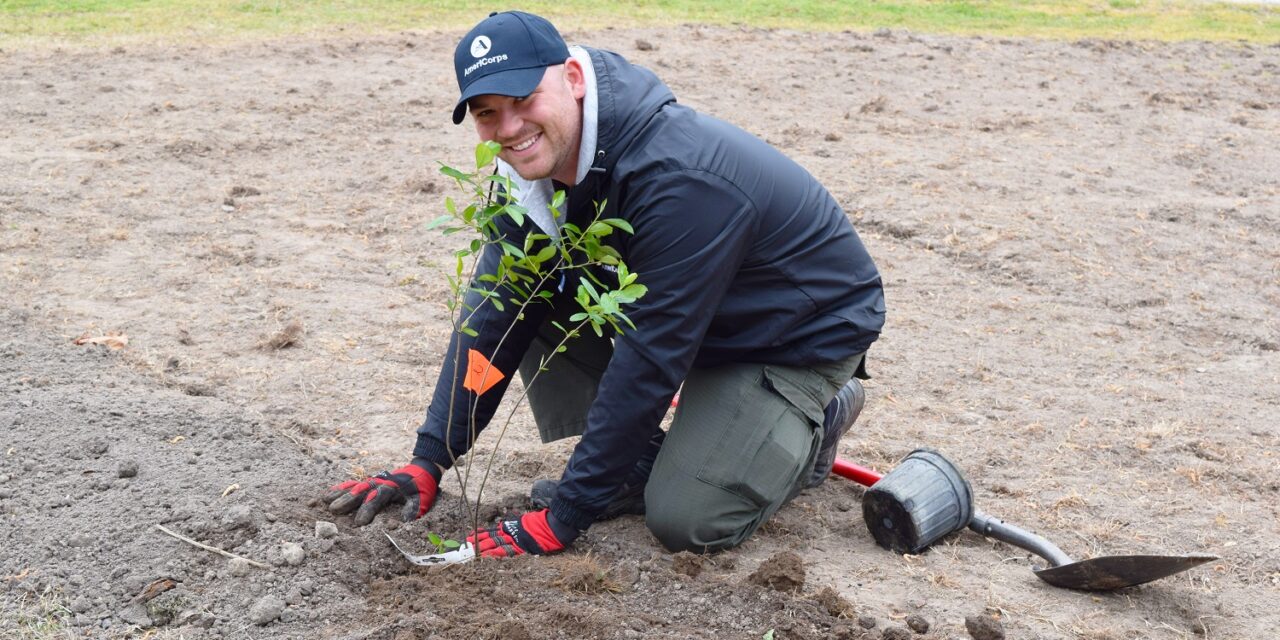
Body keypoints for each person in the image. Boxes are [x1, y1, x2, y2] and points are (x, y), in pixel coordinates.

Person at [322, 10, 885, 558]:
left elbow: (652, 355)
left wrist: (566, 516)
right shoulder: (530, 173)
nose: (509, 128)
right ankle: (643, 458)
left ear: (572, 78)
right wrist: (429, 459)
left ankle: (814, 420)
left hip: (788, 335)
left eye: (524, 99)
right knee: (530, 292)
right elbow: (497, 310)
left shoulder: (676, 178)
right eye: (487, 112)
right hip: (692, 322)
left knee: (688, 520)